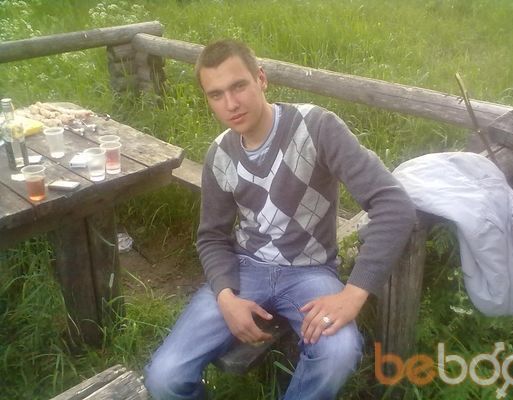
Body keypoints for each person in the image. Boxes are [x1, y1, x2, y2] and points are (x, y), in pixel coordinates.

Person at [144, 39, 416, 400]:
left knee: (338, 354)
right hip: (244, 271)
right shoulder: (220, 154)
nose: (231, 103)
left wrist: (353, 294)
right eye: (216, 94)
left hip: (310, 272)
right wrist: (225, 296)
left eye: (239, 86)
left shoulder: (316, 127)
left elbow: (394, 205)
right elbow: (211, 236)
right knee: (164, 378)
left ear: (261, 78)